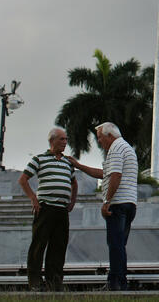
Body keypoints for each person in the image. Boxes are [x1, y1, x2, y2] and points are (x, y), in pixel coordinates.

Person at [67, 122, 138, 292]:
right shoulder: (125, 147)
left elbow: (115, 176)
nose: (99, 142)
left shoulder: (115, 149)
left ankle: (116, 284)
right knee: (119, 244)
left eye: (99, 138)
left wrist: (107, 201)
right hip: (129, 203)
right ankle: (118, 281)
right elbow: (103, 173)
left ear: (109, 136)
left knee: (115, 244)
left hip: (118, 204)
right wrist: (79, 166)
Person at [18, 126, 77, 292]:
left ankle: (54, 281)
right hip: (45, 208)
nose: (65, 142)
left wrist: (72, 200)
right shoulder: (39, 159)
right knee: (39, 245)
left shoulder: (67, 162)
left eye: (66, 139)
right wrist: (33, 199)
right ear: (52, 141)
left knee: (59, 246)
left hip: (61, 209)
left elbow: (74, 183)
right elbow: (23, 180)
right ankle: (35, 282)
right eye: (61, 139)